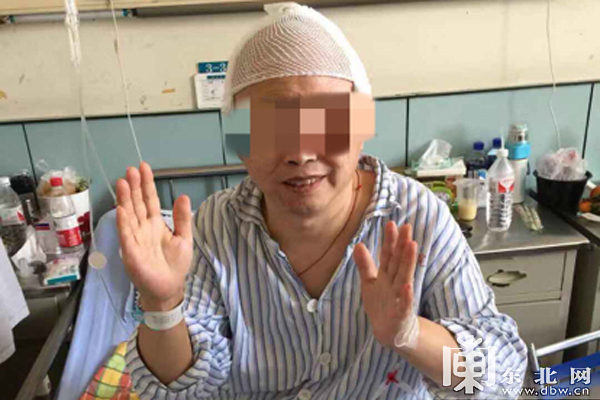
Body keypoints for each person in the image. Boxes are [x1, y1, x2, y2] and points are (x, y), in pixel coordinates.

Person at [115, 3, 527, 399]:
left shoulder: (419, 218)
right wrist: (162, 304)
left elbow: (501, 380)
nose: (301, 153)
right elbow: (182, 391)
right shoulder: (215, 227)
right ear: (240, 142)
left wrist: (411, 336)